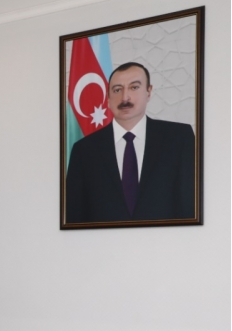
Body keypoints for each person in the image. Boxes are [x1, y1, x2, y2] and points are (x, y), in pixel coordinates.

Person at [65, 62, 197, 223]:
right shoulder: (83, 150)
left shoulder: (180, 138)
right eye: (117, 90)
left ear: (149, 92)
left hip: (167, 239)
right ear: (108, 97)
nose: (125, 97)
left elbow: (190, 205)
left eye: (134, 87)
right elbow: (74, 216)